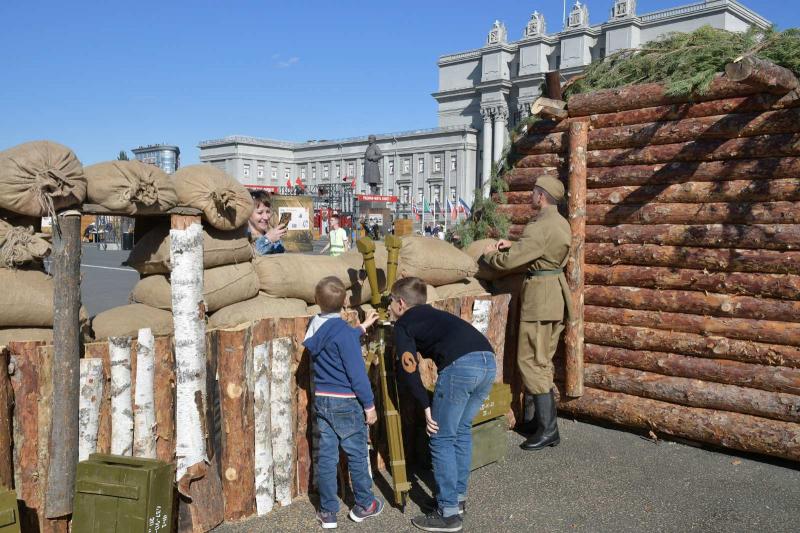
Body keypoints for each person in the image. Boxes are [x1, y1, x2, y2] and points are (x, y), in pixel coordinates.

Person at [389, 277, 495, 533]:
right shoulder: (433, 315)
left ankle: (448, 514)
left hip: (461, 367)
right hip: (488, 361)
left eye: (391, 302)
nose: (390, 307)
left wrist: (426, 407)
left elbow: (408, 369)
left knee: (440, 437)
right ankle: (457, 500)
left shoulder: (404, 323)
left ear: (401, 303)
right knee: (460, 431)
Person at [481, 176, 573, 451]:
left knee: (530, 361)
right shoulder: (560, 222)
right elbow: (539, 251)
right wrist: (515, 244)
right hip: (555, 295)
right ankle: (538, 422)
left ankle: (548, 429)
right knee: (542, 359)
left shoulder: (539, 226)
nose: (531, 195)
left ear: (542, 196)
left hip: (540, 299)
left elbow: (511, 262)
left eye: (534, 191)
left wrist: (489, 256)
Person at [303, 276, 383, 529]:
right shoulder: (344, 334)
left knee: (327, 457)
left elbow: (335, 339)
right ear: (346, 302)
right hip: (347, 402)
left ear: (317, 301)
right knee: (357, 454)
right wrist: (369, 406)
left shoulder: (314, 325)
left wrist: (361, 328)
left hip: (323, 400)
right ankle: (365, 504)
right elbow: (357, 374)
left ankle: (327, 512)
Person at [248, 190, 287, 255]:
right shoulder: (242, 237)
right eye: (260, 213)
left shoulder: (272, 234)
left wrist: (277, 242)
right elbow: (249, 255)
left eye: (268, 212)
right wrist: (268, 239)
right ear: (248, 213)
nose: (266, 217)